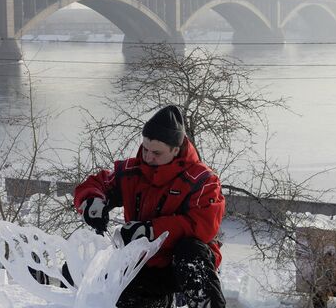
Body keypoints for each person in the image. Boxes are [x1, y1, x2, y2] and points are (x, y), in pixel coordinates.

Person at [74, 105, 226, 308]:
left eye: (156, 152)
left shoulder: (203, 180)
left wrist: (151, 230)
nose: (148, 157)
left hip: (182, 265)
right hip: (143, 263)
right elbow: (99, 184)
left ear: (175, 149)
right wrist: (92, 201)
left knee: (191, 251)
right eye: (145, 149)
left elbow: (203, 226)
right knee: (114, 289)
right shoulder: (132, 171)